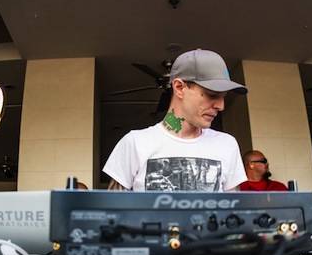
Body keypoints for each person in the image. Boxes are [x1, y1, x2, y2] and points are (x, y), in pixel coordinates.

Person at [103, 48, 247, 191]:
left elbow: (233, 204)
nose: (221, 106)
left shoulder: (227, 144)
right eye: (212, 95)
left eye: (223, 97)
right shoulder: (135, 143)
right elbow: (113, 204)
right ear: (179, 87)